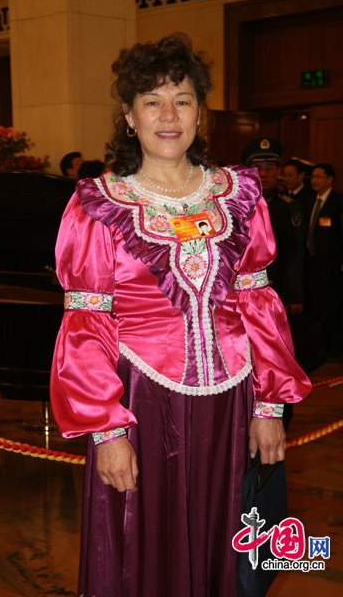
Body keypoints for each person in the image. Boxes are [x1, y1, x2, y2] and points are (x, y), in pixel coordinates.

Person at [50, 34, 311, 597]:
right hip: (141, 405)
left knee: (226, 545)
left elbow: (259, 305)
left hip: (232, 405)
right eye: (152, 100)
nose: (169, 115)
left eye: (183, 99)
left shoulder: (238, 194)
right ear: (128, 116)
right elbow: (85, 327)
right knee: (143, 552)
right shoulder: (97, 204)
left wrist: (269, 406)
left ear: (201, 113)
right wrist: (105, 431)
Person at [242, 138, 306, 315]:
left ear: (279, 171)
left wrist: (294, 295)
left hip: (277, 288)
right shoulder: (239, 205)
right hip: (244, 289)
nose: (263, 174)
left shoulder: (289, 207)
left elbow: (295, 255)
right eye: (257, 168)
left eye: (269, 169)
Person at [306, 163, 343, 356]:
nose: (315, 180)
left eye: (319, 177)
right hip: (313, 265)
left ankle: (333, 346)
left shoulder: (338, 202)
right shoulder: (311, 200)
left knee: (333, 305)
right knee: (317, 304)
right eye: (313, 177)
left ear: (330, 179)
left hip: (333, 266)